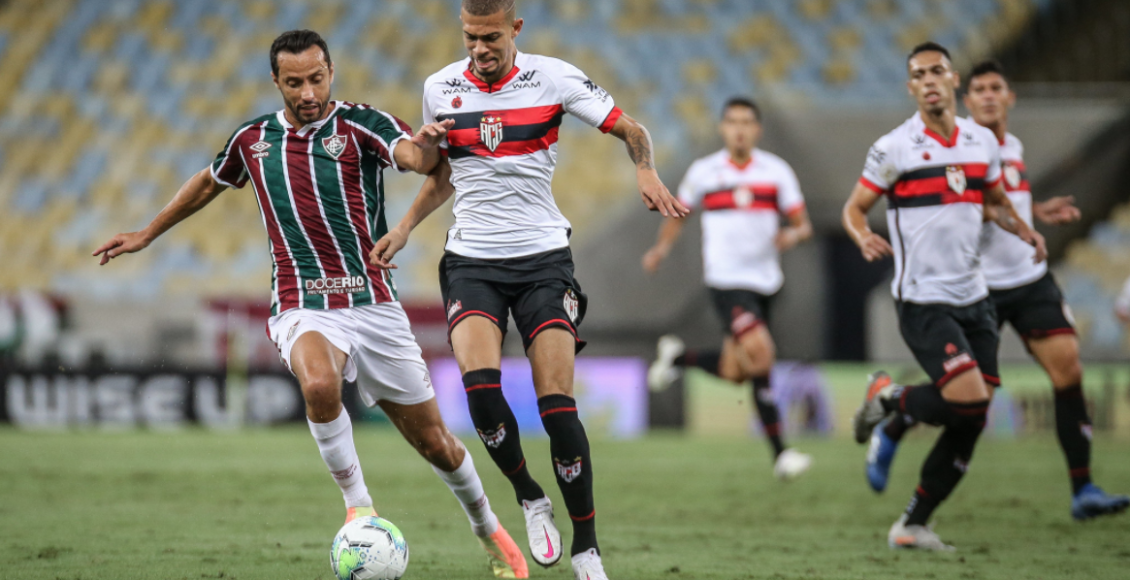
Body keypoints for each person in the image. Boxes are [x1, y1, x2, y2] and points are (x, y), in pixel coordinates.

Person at [92, 30, 528, 579]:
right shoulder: (253, 140)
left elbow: (415, 158)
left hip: (373, 304)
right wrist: (147, 233)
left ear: (331, 71)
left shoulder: (362, 124)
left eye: (317, 78)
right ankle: (360, 509)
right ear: (275, 81)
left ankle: (487, 526)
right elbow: (208, 182)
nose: (308, 92)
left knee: (437, 444)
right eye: (294, 82)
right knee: (320, 384)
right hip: (302, 303)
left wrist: (430, 142)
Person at [369, 1, 688, 578]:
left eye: (490, 38)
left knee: (557, 408)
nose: (479, 49)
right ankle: (529, 495)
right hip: (472, 262)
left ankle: (586, 547)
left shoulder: (555, 77)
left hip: (543, 259)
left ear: (515, 29)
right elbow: (442, 173)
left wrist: (645, 169)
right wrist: (404, 226)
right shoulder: (439, 88)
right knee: (481, 393)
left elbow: (631, 129)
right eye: (470, 38)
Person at [864, 59, 1129, 521]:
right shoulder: (957, 147)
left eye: (996, 88)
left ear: (1010, 97)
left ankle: (1083, 488)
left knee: (1068, 370)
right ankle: (900, 414)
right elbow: (969, 207)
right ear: (965, 98)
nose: (988, 96)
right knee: (970, 400)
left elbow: (1002, 200)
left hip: (1028, 279)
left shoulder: (1008, 146)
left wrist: (1035, 214)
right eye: (980, 89)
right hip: (979, 287)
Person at [842, 42, 1048, 551]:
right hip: (923, 299)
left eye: (938, 71)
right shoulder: (894, 148)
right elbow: (854, 208)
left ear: (953, 79)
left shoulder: (981, 142)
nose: (930, 80)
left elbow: (995, 201)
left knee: (973, 416)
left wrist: (1024, 229)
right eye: (919, 74)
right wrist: (860, 233)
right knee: (969, 399)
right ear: (911, 87)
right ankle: (887, 399)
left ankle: (913, 524)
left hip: (976, 297)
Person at [642, 97, 813, 480]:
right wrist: (661, 248)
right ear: (723, 128)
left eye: (746, 122)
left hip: (766, 283)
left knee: (736, 370)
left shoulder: (776, 171)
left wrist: (793, 234)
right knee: (762, 354)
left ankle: (678, 359)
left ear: (757, 129)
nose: (739, 129)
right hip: (725, 282)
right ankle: (781, 454)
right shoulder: (705, 171)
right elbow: (679, 213)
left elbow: (803, 225)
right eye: (732, 121)